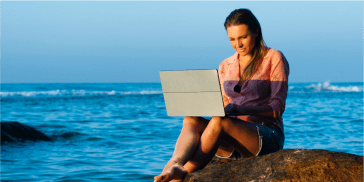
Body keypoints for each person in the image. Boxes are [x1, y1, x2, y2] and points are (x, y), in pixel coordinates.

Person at [154, 8, 289, 182]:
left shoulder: (273, 57)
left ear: (256, 32)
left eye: (243, 37)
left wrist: (241, 109)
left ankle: (182, 174)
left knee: (219, 122)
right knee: (191, 120)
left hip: (265, 136)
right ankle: (175, 164)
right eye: (232, 39)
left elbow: (277, 109)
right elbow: (222, 105)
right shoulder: (226, 65)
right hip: (231, 143)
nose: (237, 44)